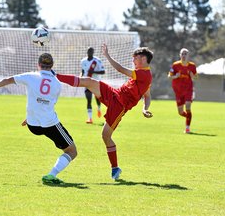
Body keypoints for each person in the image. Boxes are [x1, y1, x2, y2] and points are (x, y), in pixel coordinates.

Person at [55, 44, 153, 180]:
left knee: (106, 136)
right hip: (115, 94)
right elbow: (147, 96)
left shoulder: (144, 74)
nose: (133, 61)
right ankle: (55, 76)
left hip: (120, 106)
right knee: (89, 81)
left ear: (142, 58)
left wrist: (107, 56)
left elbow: (120, 70)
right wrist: (145, 108)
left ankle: (115, 168)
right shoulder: (143, 75)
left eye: (134, 58)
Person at [0, 53, 77, 184]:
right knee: (72, 151)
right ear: (52, 66)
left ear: (38, 65)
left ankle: (52, 174)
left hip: (32, 125)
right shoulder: (57, 84)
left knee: (49, 128)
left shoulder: (30, 76)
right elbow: (48, 103)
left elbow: (8, 80)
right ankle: (51, 175)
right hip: (49, 124)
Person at [168, 48, 197, 134]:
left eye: (185, 54)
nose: (184, 55)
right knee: (180, 112)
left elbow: (196, 77)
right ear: (180, 55)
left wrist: (193, 76)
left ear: (188, 56)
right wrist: (175, 76)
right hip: (178, 91)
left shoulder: (192, 66)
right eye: (182, 54)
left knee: (188, 107)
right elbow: (169, 76)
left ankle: (187, 128)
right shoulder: (175, 65)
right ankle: (188, 117)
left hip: (188, 90)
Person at [80, 47, 105, 123]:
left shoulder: (97, 61)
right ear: (87, 52)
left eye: (91, 51)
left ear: (93, 52)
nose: (90, 52)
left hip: (96, 82)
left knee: (98, 99)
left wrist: (93, 72)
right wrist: (80, 77)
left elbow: (103, 72)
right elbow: (83, 71)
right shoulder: (83, 61)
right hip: (87, 82)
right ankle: (90, 118)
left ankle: (99, 108)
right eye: (88, 51)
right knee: (89, 99)